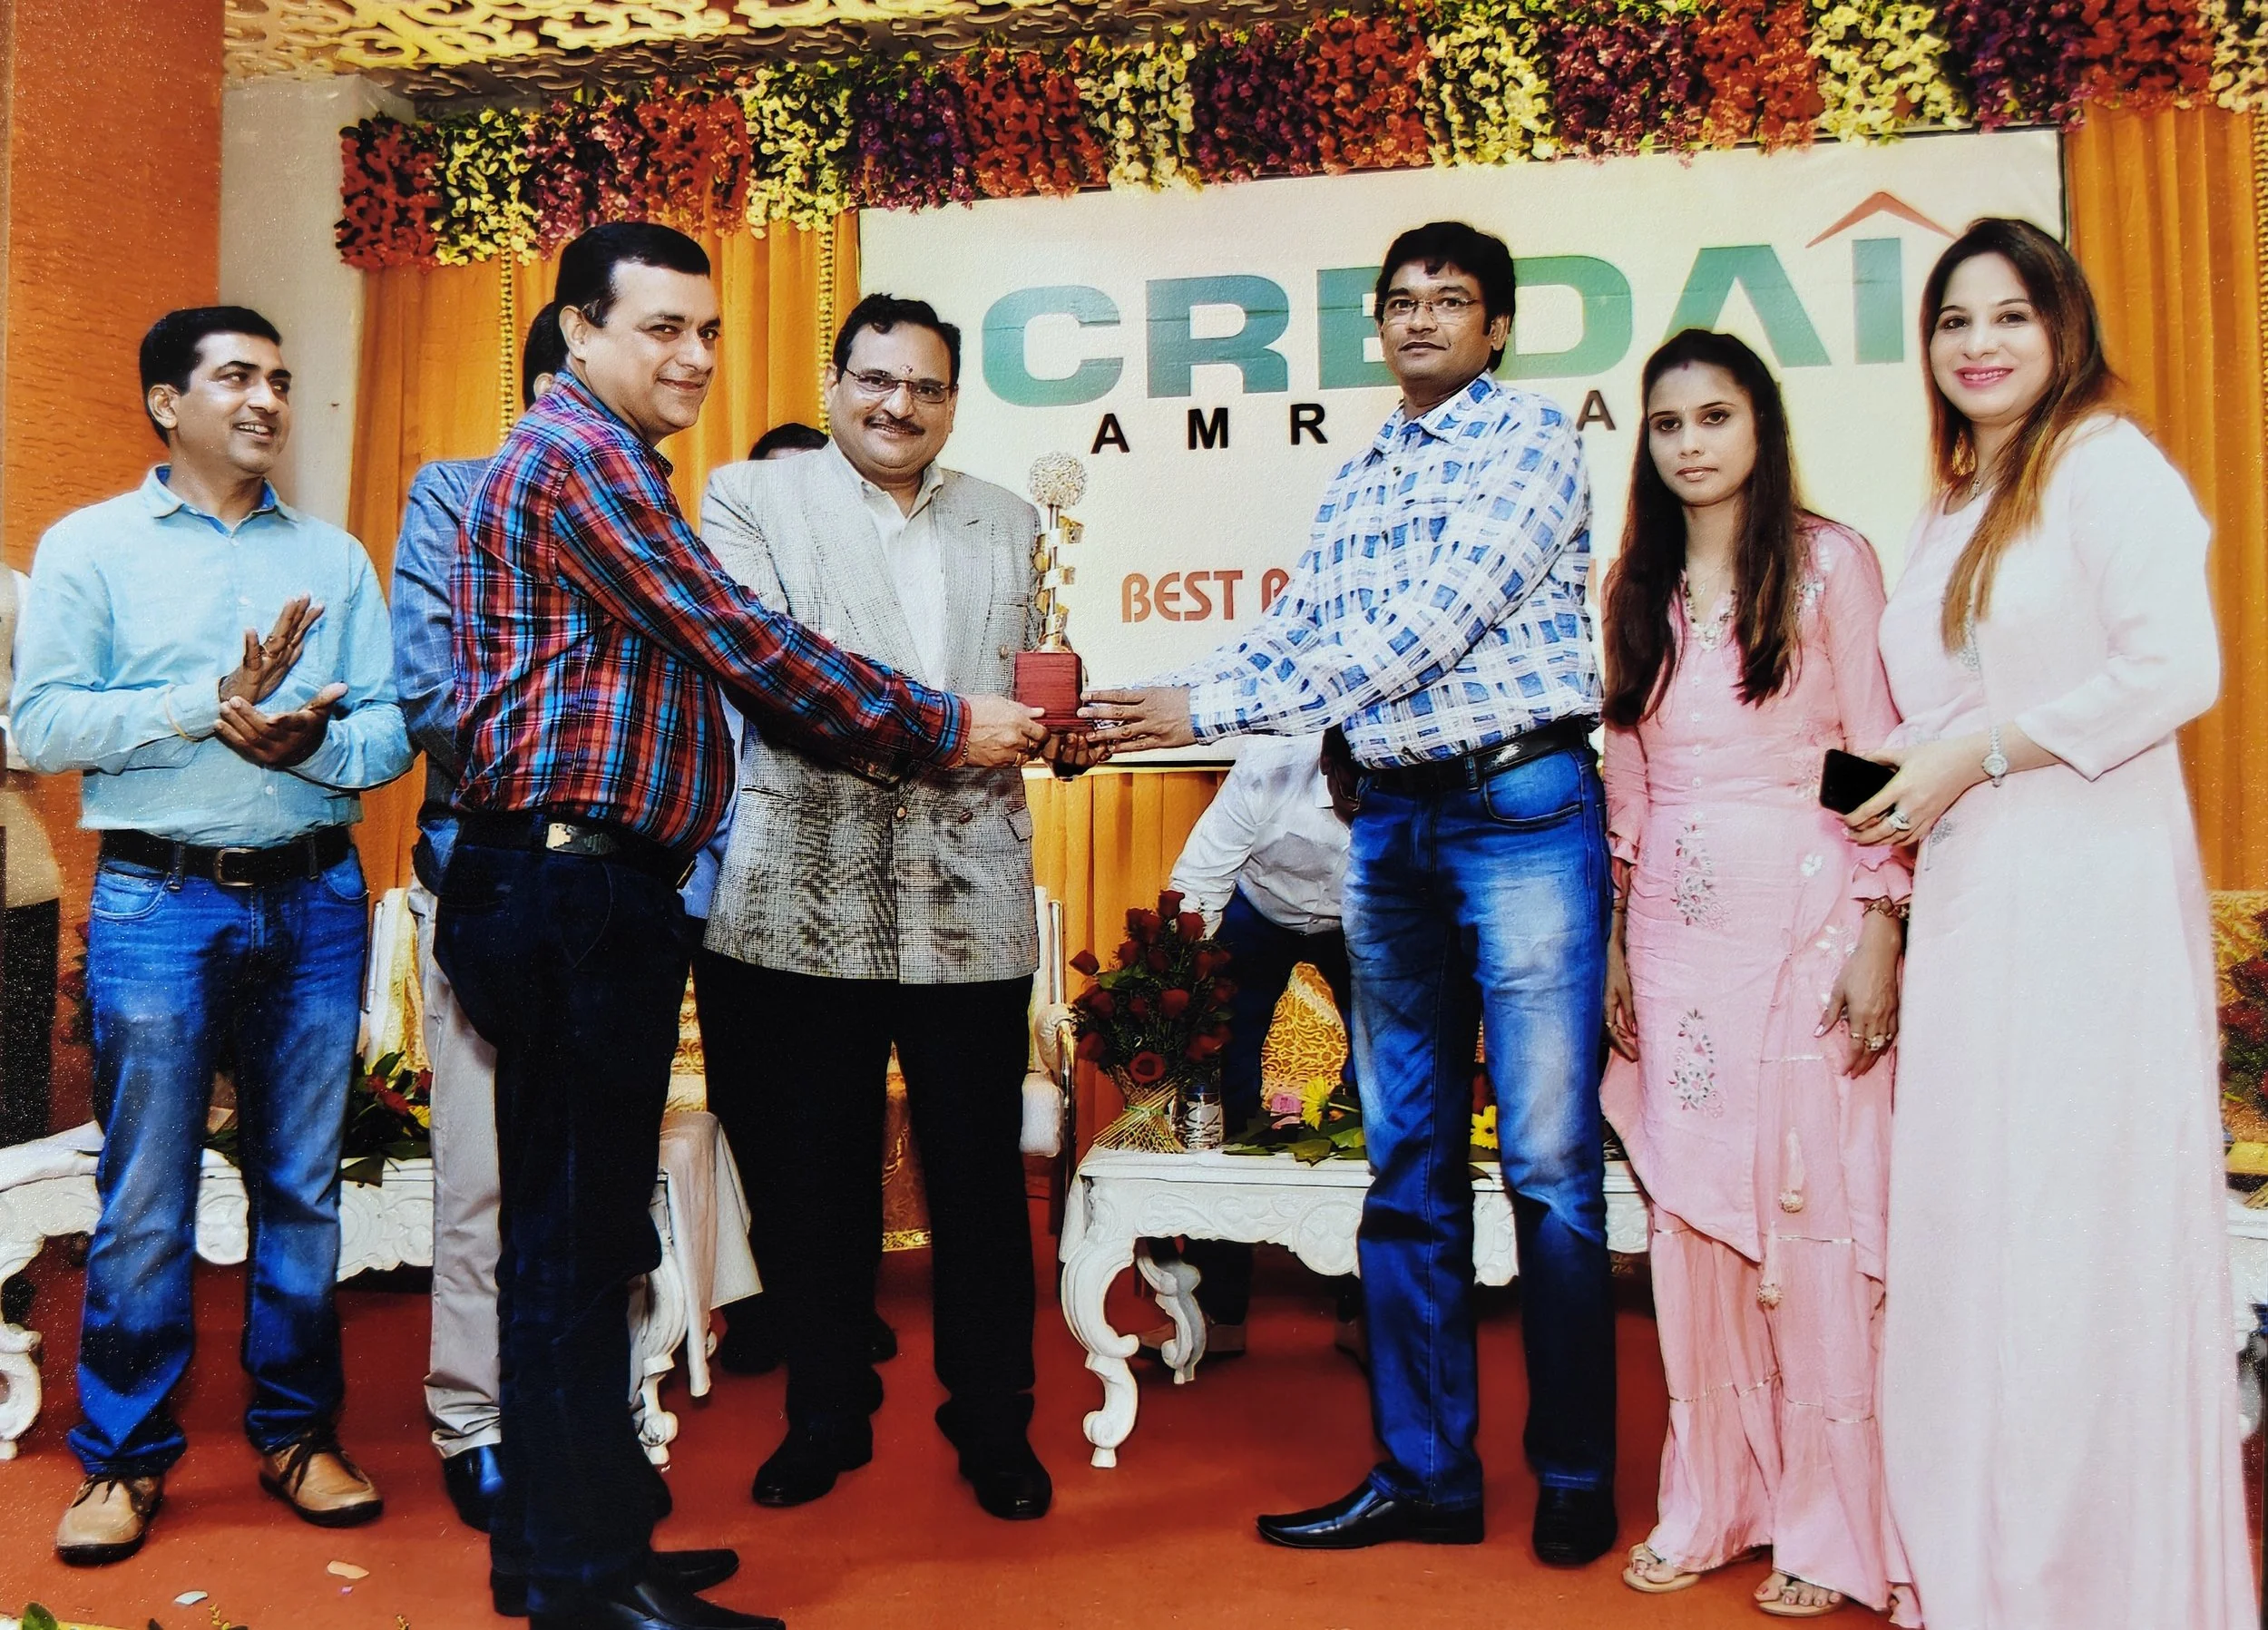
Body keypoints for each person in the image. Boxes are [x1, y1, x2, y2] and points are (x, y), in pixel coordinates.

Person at [435, 226, 1046, 1630]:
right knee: (577, 1251)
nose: (697, 357)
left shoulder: (603, 463)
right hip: (572, 884)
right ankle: (590, 1582)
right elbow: (746, 643)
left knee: (569, 1244)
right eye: (662, 330)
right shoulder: (588, 465)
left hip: (580, 882)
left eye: (709, 330)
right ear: (578, 334)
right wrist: (947, 723)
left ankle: (565, 1548)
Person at [1082, 221, 1618, 1564]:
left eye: (1453, 301)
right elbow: (1299, 633)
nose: (1424, 319)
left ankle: (1573, 1470)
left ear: (1499, 327)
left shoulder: (1530, 443)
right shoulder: (1363, 471)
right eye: (1402, 303)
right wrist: (1150, 704)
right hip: (1391, 821)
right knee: (1408, 1163)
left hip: (1523, 810)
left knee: (1549, 1167)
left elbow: (1428, 627)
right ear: (1379, 328)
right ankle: (1427, 1474)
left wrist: (1199, 702)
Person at [1850, 217, 2250, 1628]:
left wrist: (1988, 751)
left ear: (2062, 327)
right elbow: (1936, 712)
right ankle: (1986, 1568)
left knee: (2072, 1230)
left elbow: (2176, 669)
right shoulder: (1959, 500)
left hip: (2086, 897)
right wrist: (1913, 788)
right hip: (1970, 893)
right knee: (1974, 1226)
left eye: (2009, 316)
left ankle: (2097, 1580)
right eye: (1955, 322)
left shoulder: (2105, 466)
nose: (1979, 344)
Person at [15, 306, 411, 1564]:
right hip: (157, 901)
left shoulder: (337, 558)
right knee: (146, 1196)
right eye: (234, 375)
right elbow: (47, 724)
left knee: (303, 1188)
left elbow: (394, 727)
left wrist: (316, 742)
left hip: (315, 893)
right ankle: (124, 1460)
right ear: (163, 403)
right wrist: (212, 701)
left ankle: (299, 1434)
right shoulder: (91, 549)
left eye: (281, 379)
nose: (266, 399)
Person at [696, 295, 1064, 1522]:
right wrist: (957, 729)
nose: (899, 404)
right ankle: (824, 1414)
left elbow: (1026, 682)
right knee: (816, 1183)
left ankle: (996, 1424)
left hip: (972, 901)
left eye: (928, 386)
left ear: (955, 399)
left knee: (978, 1184)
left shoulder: (1011, 521)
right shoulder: (751, 502)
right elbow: (769, 672)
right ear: (834, 380)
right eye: (877, 379)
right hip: (799, 894)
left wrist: (1059, 726)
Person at [1597, 329, 1912, 1621]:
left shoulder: (1831, 564)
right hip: (1675, 939)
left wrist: (1885, 921)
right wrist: (1620, 932)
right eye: (1667, 424)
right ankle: (1713, 1499)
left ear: (1762, 426)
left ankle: (1832, 1526)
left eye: (1714, 417)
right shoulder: (1636, 579)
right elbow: (1628, 775)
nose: (1689, 444)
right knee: (1694, 1224)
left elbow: (1872, 753)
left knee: (1809, 1223)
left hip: (1809, 915)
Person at [388, 302, 568, 1540]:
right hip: (491, 877)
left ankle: (580, 1415)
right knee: (483, 1176)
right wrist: (588, 760)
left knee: (592, 1178)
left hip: (622, 891)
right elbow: (431, 690)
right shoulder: (453, 497)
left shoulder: (657, 508)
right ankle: (474, 1419)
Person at [683, 419, 898, 1382]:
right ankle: (764, 1302)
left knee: (842, 1122)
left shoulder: (851, 654)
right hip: (721, 904)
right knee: (751, 1117)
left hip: (839, 902)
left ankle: (844, 1311)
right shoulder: (701, 629)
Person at [1143, 729, 1361, 1361]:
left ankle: (1368, 1313)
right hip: (1258, 910)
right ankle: (1219, 1313)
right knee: (1223, 1093)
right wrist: (1188, 996)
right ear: (1328, 761)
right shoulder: (1269, 768)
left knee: (1384, 1095)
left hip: (1367, 917)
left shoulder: (1413, 770)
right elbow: (1201, 882)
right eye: (1353, 789)